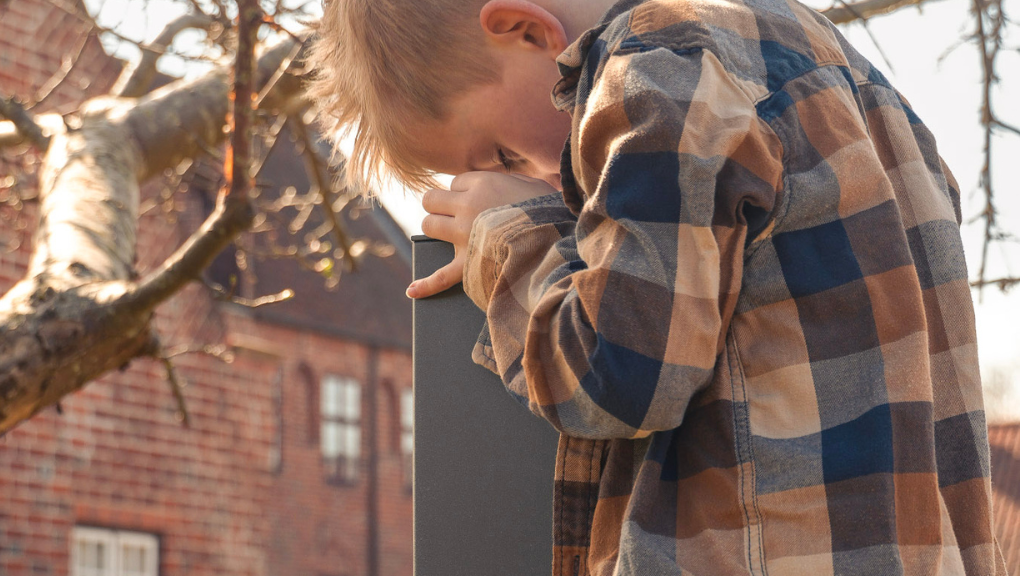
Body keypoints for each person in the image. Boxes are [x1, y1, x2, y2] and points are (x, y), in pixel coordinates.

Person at [307, 0, 1006, 574]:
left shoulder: (656, 72)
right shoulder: (858, 82)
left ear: (525, 29)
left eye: (502, 153)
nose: (531, 177)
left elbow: (615, 373)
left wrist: (508, 240)